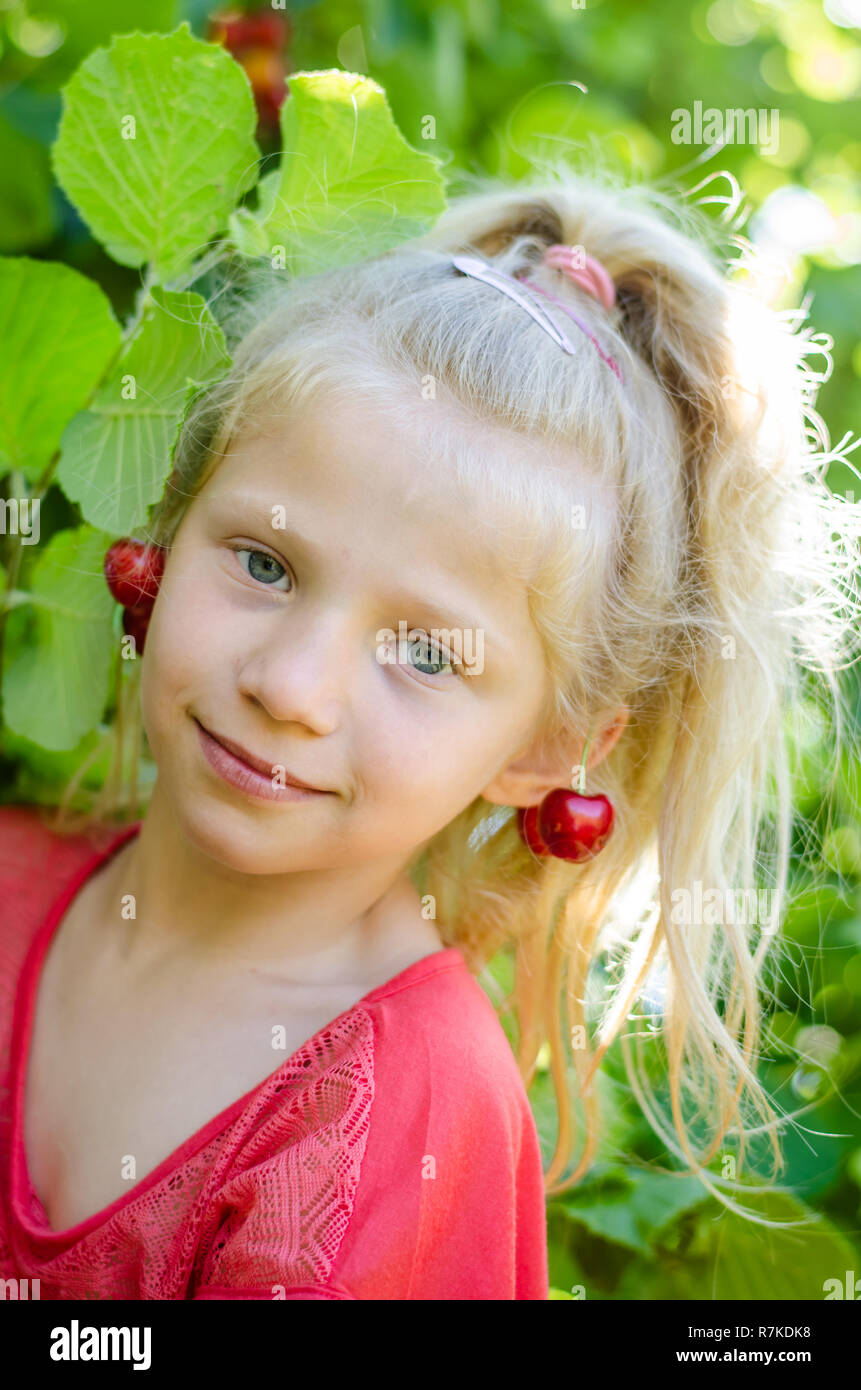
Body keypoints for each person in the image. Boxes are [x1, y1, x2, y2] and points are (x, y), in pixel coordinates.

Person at [1, 171, 858, 1300]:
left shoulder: (407, 1111)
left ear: (549, 748)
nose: (293, 686)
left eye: (426, 653)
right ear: (167, 524)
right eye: (265, 563)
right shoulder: (15, 866)